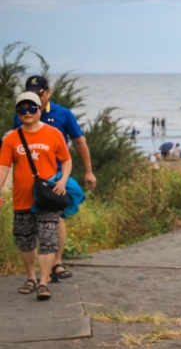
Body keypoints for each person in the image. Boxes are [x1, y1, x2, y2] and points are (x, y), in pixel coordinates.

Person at [14, 76, 95, 282]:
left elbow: (79, 141)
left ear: (48, 92)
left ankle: (56, 262)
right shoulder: (23, 113)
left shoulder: (63, 114)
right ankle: (39, 271)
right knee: (31, 221)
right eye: (31, 93)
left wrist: (88, 171)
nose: (36, 97)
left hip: (56, 176)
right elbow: (16, 146)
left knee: (57, 217)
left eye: (39, 93)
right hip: (31, 179)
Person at [0, 92, 72, 300]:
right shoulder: (12, 139)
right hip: (22, 199)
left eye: (32, 108)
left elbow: (66, 160)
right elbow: (3, 168)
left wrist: (63, 180)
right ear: (18, 112)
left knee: (48, 240)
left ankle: (44, 281)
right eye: (23, 109)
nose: (28, 112)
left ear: (40, 110)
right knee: (25, 241)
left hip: (47, 198)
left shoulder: (53, 134)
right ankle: (31, 277)